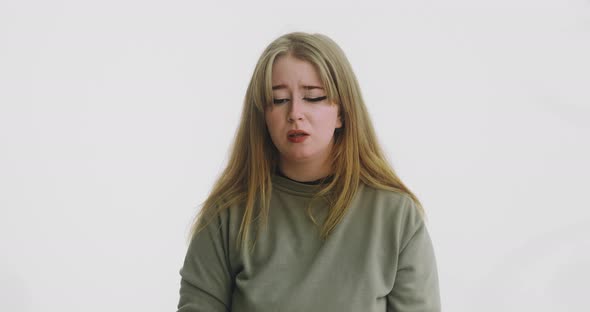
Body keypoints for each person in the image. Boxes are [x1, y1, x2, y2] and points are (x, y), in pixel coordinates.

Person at [177, 31, 441, 312]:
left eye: (313, 97)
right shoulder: (227, 214)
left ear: (342, 112)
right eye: (279, 100)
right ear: (263, 116)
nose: (295, 113)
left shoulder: (396, 216)